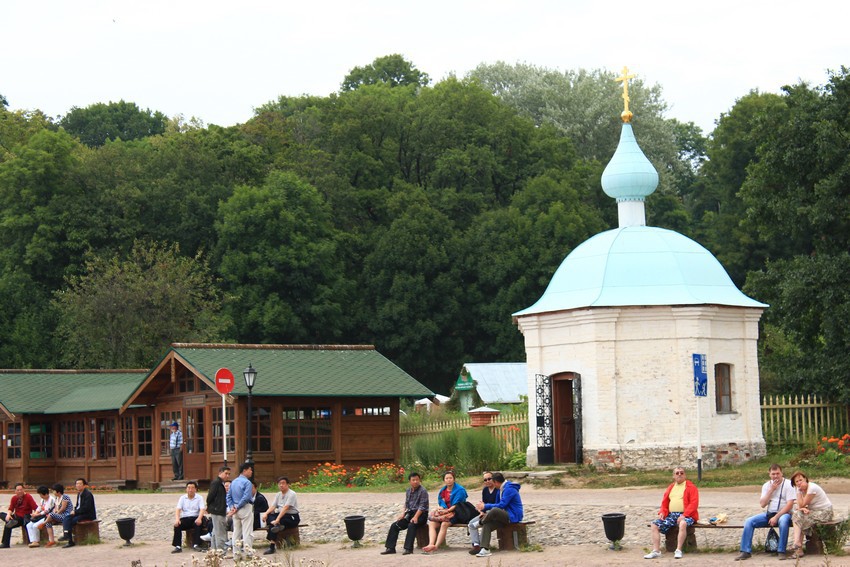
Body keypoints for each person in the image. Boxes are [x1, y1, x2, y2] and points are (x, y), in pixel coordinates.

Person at [734, 464, 795, 561]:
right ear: (769, 474)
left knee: (783, 522)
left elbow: (790, 504)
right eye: (773, 474)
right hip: (770, 514)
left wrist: (776, 517)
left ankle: (781, 550)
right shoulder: (766, 485)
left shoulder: (788, 484)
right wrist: (771, 490)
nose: (775, 476)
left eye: (777, 474)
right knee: (749, 521)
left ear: (781, 473)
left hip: (784, 513)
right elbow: (762, 504)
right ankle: (745, 551)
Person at [644, 467, 699, 560]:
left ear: (685, 475)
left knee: (683, 523)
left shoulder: (691, 487)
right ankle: (656, 551)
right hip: (672, 515)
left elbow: (694, 504)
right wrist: (662, 512)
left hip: (687, 515)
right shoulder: (671, 487)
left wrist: (684, 515)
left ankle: (678, 550)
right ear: (674, 476)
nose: (680, 475)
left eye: (682, 473)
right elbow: (664, 503)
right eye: (677, 473)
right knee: (654, 525)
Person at [474, 472, 523, 558]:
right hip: (503, 516)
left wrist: (485, 506)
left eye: (492, 482)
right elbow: (496, 503)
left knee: (495, 510)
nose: (492, 484)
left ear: (496, 482)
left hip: (513, 516)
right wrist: (483, 508)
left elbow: (501, 505)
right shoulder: (500, 490)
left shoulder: (509, 489)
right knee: (487, 524)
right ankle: (485, 549)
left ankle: (480, 522)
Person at [381, 471, 428, 556]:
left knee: (411, 525)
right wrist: (403, 514)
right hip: (410, 513)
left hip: (421, 515)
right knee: (395, 525)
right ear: (410, 481)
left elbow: (422, 507)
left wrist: (416, 517)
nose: (415, 482)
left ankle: (408, 548)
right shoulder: (408, 490)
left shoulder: (423, 491)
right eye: (413, 480)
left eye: (417, 480)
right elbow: (406, 504)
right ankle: (390, 548)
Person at [789, 470, 834, 559]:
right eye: (796, 482)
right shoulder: (801, 490)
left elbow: (801, 504)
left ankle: (798, 546)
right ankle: (798, 546)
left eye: (800, 480)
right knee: (798, 515)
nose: (799, 483)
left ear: (805, 479)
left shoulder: (812, 488)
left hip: (825, 511)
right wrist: (802, 507)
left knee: (799, 517)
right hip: (813, 511)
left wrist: (801, 505)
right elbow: (800, 506)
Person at [422, 470, 468, 553]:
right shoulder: (443, 490)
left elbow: (457, 505)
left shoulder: (460, 490)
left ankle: (436, 546)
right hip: (445, 513)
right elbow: (441, 502)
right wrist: (440, 509)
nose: (449, 480)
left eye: (450, 478)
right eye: (446, 478)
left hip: (457, 513)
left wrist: (447, 511)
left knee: (444, 524)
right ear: (444, 480)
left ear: (454, 479)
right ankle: (431, 544)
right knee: (432, 523)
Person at [262, 476, 300, 555]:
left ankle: (272, 547)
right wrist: (266, 513)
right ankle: (277, 526)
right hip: (280, 515)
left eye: (283, 483)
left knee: (277, 522)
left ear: (287, 484)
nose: (281, 485)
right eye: (279, 484)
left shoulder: (292, 494)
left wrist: (277, 519)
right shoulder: (278, 494)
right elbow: (273, 506)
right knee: (270, 517)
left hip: (291, 516)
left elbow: (286, 508)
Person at [226, 462, 254, 561]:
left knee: (236, 533)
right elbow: (246, 497)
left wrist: (232, 507)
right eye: (250, 469)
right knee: (247, 532)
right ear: (245, 470)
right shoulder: (247, 483)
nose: (251, 471)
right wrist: (237, 507)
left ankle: (236, 554)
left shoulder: (234, 482)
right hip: (244, 507)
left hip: (235, 509)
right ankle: (248, 554)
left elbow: (228, 496)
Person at [468, 471, 500, 555]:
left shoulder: (498, 490)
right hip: (485, 513)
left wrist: (485, 510)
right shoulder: (485, 490)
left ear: (493, 479)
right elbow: (484, 504)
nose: (487, 481)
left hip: (494, 513)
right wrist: (481, 511)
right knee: (471, 524)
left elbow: (498, 506)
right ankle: (476, 545)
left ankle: (483, 545)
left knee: (485, 524)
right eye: (485, 480)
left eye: (489, 479)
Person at [60, 478, 96, 548]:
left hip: (87, 514)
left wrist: (75, 512)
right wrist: (74, 511)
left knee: (72, 520)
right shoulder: (79, 494)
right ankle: (66, 535)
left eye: (80, 484)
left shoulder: (87, 494)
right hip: (79, 513)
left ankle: (69, 539)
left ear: (84, 485)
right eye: (77, 484)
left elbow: (86, 508)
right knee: (67, 517)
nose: (78, 485)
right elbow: (78, 505)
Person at [172, 481, 206, 553]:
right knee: (177, 525)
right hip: (185, 518)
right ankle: (178, 546)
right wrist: (177, 519)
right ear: (186, 489)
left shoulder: (199, 498)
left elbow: (202, 509)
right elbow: (178, 509)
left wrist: (199, 518)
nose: (190, 490)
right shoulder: (182, 498)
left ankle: (196, 544)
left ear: (196, 489)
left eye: (192, 488)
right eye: (189, 488)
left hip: (195, 517)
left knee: (198, 524)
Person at [0, 482, 37, 548]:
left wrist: (35, 514)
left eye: (21, 489)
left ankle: (5, 543)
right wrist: (8, 515)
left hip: (24, 518)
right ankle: (10, 519)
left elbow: (35, 507)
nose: (20, 491)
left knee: (8, 524)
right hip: (15, 516)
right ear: (15, 491)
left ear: (23, 490)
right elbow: (10, 509)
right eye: (18, 490)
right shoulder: (14, 498)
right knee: (4, 516)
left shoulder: (28, 497)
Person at [205, 466, 231, 553]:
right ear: (220, 473)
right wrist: (210, 506)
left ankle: (214, 550)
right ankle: (221, 551)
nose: (227, 476)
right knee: (220, 532)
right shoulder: (216, 482)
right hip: (217, 509)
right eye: (226, 473)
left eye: (229, 474)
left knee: (215, 531)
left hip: (218, 509)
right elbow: (210, 496)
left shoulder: (220, 483)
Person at [44, 484, 71, 548]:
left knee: (51, 515)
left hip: (66, 515)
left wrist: (56, 514)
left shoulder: (65, 497)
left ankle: (43, 523)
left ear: (58, 491)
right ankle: (51, 540)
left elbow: (63, 508)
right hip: (59, 515)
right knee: (48, 522)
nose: (53, 492)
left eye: (54, 490)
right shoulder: (57, 498)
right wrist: (55, 513)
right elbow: (56, 508)